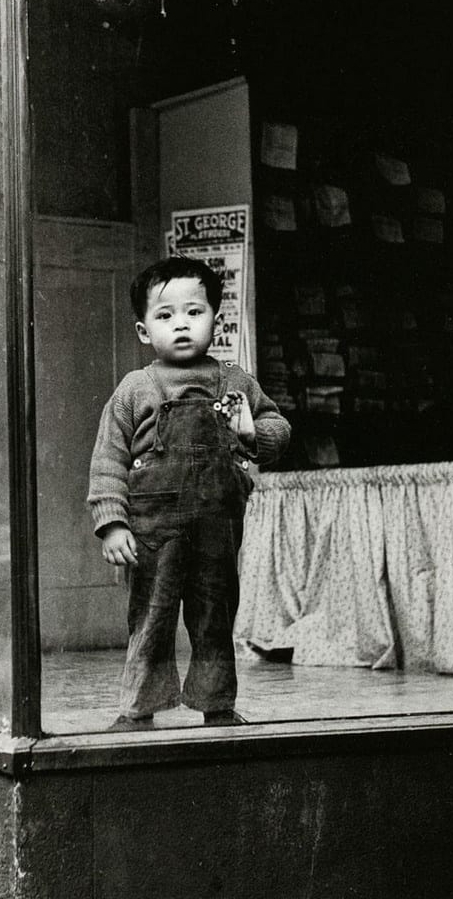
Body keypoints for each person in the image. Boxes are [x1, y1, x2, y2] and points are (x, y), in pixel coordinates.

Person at [88, 255, 291, 731]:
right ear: (144, 332)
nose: (181, 324)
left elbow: (279, 427)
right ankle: (138, 708)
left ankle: (217, 704)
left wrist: (251, 431)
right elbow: (107, 461)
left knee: (214, 616)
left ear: (214, 320)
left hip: (217, 527)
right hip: (153, 532)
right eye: (165, 315)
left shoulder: (236, 382)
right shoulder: (135, 388)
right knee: (152, 619)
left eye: (194, 312)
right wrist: (112, 523)